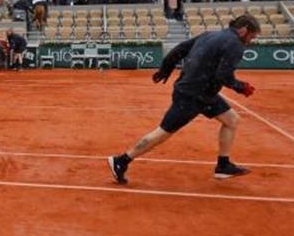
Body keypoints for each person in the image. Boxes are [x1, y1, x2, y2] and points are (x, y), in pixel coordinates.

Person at [107, 14, 262, 184]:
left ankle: (223, 165)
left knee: (231, 119)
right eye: (252, 36)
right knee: (163, 133)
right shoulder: (235, 45)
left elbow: (180, 49)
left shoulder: (209, 35)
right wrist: (241, 87)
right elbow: (223, 75)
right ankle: (121, 161)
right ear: (244, 30)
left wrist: (165, 69)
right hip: (192, 96)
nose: (251, 40)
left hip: (202, 93)